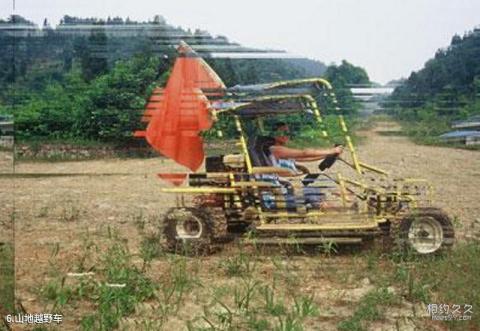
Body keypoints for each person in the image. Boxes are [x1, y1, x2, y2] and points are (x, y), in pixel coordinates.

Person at [268, 122, 343, 171]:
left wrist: (328, 155)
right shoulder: (276, 149)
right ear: (274, 134)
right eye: (282, 132)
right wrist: (332, 151)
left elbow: (305, 158)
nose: (286, 135)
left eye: (287, 133)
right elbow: (305, 153)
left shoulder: (282, 151)